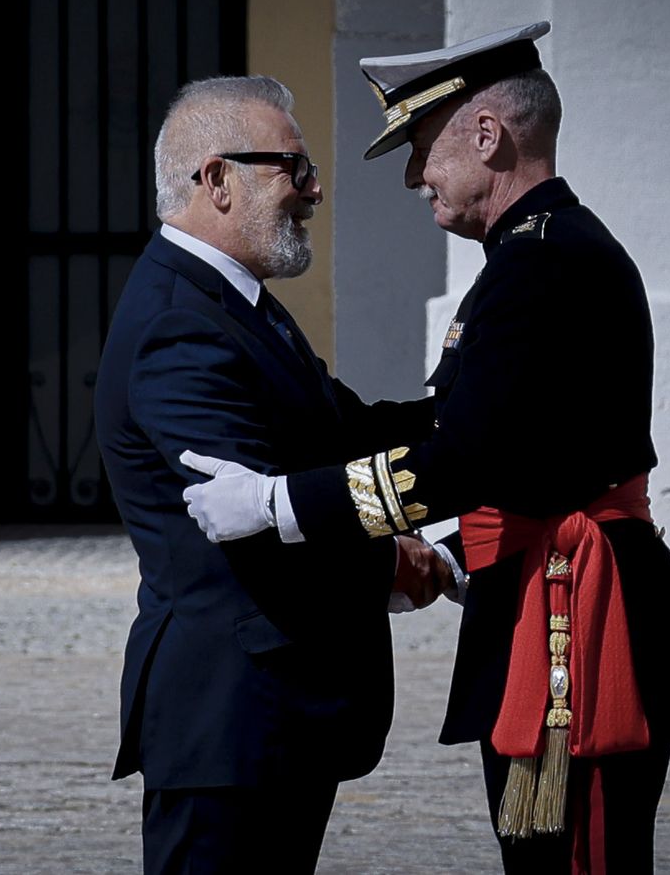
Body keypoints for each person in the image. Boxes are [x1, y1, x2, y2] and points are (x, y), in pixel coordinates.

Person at [180, 23, 670, 874]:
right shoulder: (533, 254)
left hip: (577, 613)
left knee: (575, 861)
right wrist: (319, 422)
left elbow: (458, 461)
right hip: (549, 594)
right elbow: (479, 432)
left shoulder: (541, 263)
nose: (413, 173)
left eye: (424, 145)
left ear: (487, 135)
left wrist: (279, 505)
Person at [95, 75, 449, 874]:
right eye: (295, 168)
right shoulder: (178, 325)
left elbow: (345, 427)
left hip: (270, 721)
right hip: (229, 722)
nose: (316, 188)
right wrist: (396, 560)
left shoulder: (229, 300)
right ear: (217, 179)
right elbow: (247, 527)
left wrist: (480, 410)